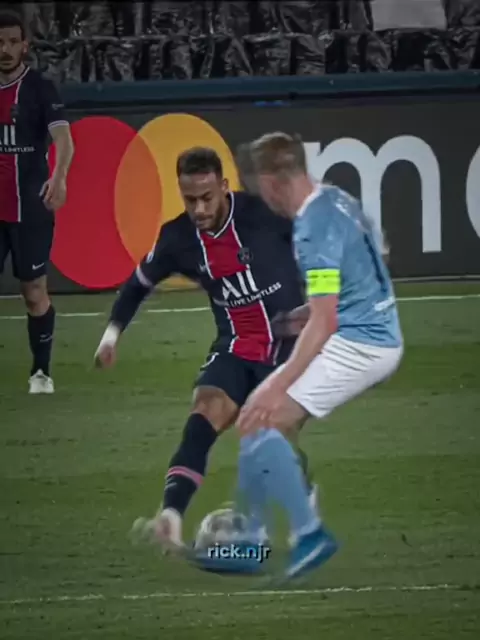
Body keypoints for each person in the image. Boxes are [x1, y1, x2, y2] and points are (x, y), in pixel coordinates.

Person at [93, 147, 317, 551]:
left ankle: (302, 502)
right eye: (190, 199)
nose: (198, 209)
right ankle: (170, 516)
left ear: (224, 187)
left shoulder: (264, 213)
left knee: (270, 439)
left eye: (206, 198)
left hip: (287, 349)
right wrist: (111, 336)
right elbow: (138, 285)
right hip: (234, 346)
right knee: (203, 414)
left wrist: (322, 301)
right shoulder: (178, 238)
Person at [231, 132, 404, 580]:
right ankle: (256, 539)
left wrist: (276, 384)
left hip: (363, 343)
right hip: (372, 328)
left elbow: (325, 323)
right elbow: (377, 255)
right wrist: (301, 315)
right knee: (266, 422)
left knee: (262, 415)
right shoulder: (336, 199)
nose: (262, 198)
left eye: (260, 186)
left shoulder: (311, 228)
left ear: (273, 182)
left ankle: (302, 535)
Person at [0, 10, 74, 393]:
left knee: (33, 292)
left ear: (25, 45)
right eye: (0, 43)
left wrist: (58, 176)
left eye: (13, 42)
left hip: (29, 210)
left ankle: (40, 372)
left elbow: (64, 139)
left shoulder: (40, 89)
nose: (6, 49)